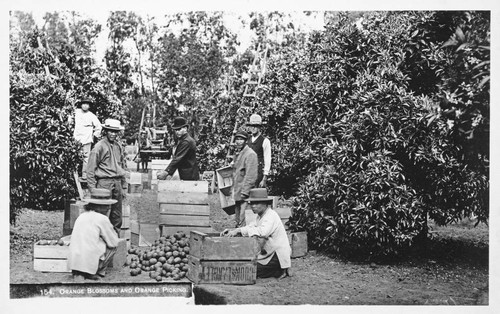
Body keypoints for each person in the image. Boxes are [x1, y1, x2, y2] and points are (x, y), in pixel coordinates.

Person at [221, 188, 291, 279]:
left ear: (265, 204)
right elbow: (250, 226)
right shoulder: (260, 216)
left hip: (277, 255)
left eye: (257, 203)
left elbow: (263, 232)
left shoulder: (271, 216)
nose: (253, 206)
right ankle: (276, 270)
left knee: (249, 270)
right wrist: (235, 231)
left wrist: (242, 231)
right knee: (246, 265)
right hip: (268, 252)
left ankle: (280, 269)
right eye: (252, 203)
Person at [86, 118, 127, 235]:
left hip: (117, 182)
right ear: (105, 131)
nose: (113, 134)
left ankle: (115, 241)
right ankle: (98, 241)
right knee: (101, 214)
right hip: (104, 183)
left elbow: (122, 166)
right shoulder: (99, 147)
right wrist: (92, 188)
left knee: (117, 214)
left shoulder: (118, 146)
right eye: (110, 131)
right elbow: (90, 169)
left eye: (115, 132)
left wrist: (123, 186)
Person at [69, 189, 119, 281]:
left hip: (74, 263)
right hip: (89, 262)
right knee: (113, 246)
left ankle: (79, 272)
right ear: (99, 206)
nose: (108, 208)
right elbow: (113, 242)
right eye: (106, 206)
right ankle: (94, 272)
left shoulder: (82, 216)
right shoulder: (102, 219)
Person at [157, 116, 199, 181]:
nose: (177, 132)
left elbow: (177, 159)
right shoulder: (183, 140)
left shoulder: (186, 141)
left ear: (185, 128)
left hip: (189, 176)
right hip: (186, 174)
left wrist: (166, 172)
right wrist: (169, 174)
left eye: (179, 129)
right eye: (176, 130)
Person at [231, 130, 258, 227]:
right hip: (238, 191)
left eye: (241, 139)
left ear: (246, 141)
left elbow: (251, 176)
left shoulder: (250, 154)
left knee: (244, 219)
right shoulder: (239, 153)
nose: (238, 141)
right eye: (237, 139)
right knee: (238, 219)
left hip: (245, 193)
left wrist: (245, 192)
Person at [73, 99, 102, 181]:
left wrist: (94, 136)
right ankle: (74, 175)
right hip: (77, 138)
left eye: (87, 104)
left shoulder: (91, 116)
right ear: (81, 105)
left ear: (89, 106)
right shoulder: (77, 112)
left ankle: (84, 175)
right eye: (83, 104)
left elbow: (99, 127)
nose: (85, 106)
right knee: (75, 156)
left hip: (86, 138)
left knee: (86, 157)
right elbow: (69, 117)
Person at [246, 114, 271, 188]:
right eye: (251, 126)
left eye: (255, 126)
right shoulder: (247, 140)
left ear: (259, 127)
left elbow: (267, 159)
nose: (253, 128)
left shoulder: (265, 141)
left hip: (258, 173)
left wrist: (264, 178)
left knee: (256, 196)